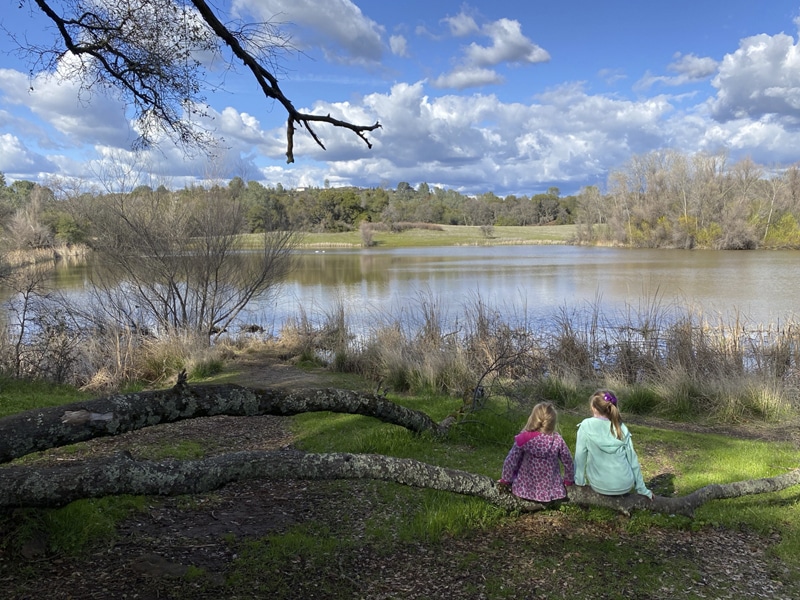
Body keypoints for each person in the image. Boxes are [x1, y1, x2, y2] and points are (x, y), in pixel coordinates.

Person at [573, 389, 653, 499]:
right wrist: (642, 489)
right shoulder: (621, 428)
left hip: (599, 485)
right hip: (625, 485)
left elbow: (580, 458)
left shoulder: (586, 426)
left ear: (593, 408)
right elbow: (633, 461)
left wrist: (579, 483)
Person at [499, 402, 574, 502]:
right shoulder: (557, 439)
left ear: (533, 418)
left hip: (524, 490)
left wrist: (505, 479)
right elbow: (568, 460)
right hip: (551, 491)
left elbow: (511, 460)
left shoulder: (524, 437)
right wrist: (568, 480)